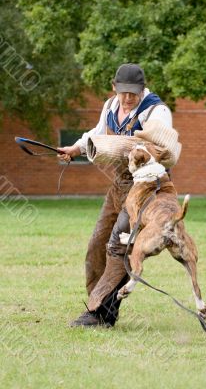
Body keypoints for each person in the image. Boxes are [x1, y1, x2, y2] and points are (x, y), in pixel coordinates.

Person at [58, 63, 172, 327]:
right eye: (123, 92)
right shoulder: (110, 106)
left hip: (147, 188)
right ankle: (97, 308)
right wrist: (74, 149)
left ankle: (102, 313)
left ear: (143, 90)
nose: (128, 98)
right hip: (119, 186)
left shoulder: (158, 112)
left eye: (134, 92)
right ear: (114, 87)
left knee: (118, 247)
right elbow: (96, 134)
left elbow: (162, 149)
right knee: (96, 245)